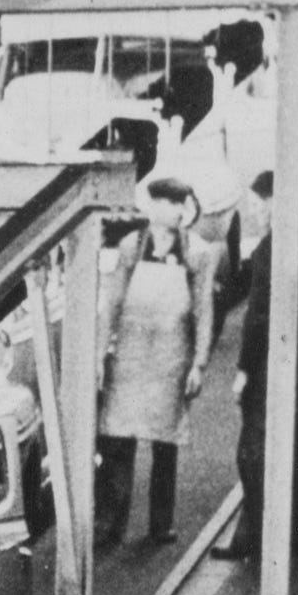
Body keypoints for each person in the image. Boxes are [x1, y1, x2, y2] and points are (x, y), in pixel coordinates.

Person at [215, 174, 298, 579]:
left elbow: (258, 318)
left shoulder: (271, 251)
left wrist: (245, 370)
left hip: (271, 366)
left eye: (256, 205)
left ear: (272, 203)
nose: (252, 213)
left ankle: (257, 538)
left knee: (255, 450)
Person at [100, 200, 203, 550]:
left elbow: (204, 310)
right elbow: (112, 301)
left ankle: (161, 525)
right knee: (119, 441)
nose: (179, 211)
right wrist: (101, 354)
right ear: (156, 207)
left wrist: (199, 362)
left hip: (170, 358)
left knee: (165, 444)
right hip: (130, 356)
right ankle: (112, 522)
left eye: (181, 204)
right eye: (172, 204)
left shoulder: (195, 252)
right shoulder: (132, 246)